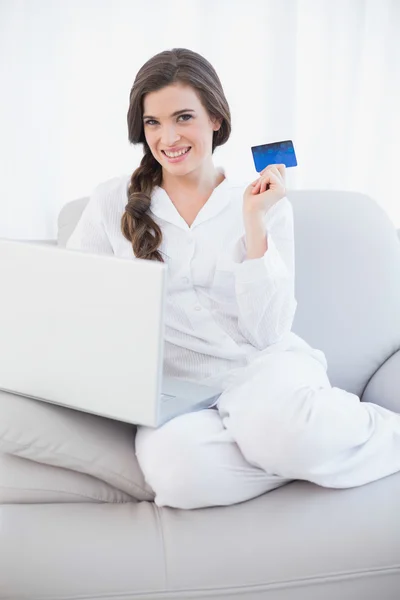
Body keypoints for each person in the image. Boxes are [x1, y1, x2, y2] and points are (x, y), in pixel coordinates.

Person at [66, 47, 400, 510]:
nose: (168, 137)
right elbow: (72, 297)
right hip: (175, 386)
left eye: (184, 117)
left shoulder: (260, 200)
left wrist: (255, 224)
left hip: (262, 369)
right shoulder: (111, 201)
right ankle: (300, 455)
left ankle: (366, 437)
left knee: (276, 428)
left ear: (215, 119)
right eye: (153, 123)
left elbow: (268, 332)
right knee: (177, 477)